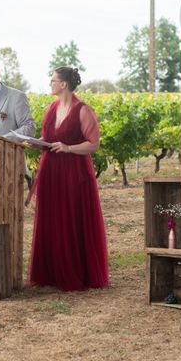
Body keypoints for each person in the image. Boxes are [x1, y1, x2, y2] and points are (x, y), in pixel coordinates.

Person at [28, 67, 109, 291]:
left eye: (53, 80)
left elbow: (93, 143)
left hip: (74, 171)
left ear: (63, 84)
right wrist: (35, 142)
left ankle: (75, 271)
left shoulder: (82, 110)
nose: (50, 84)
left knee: (71, 217)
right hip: (51, 170)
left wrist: (68, 148)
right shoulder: (52, 108)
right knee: (52, 218)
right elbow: (49, 138)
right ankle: (51, 272)